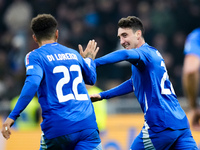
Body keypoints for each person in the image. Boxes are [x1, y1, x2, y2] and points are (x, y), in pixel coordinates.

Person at [89, 16, 198, 149]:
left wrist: (92, 62)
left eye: (125, 35)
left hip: (160, 124)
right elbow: (133, 84)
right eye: (119, 38)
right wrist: (103, 95)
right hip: (180, 123)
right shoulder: (153, 53)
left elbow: (125, 55)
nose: (122, 41)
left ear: (138, 34)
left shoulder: (142, 54)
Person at [1, 14, 102, 150]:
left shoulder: (35, 56)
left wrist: (13, 115)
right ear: (57, 34)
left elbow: (32, 83)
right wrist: (89, 59)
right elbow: (91, 79)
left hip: (59, 127)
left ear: (34, 37)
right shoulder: (74, 54)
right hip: (87, 126)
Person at [182, 27, 200, 131]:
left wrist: (194, 108)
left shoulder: (196, 36)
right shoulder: (196, 36)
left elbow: (191, 71)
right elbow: (190, 71)